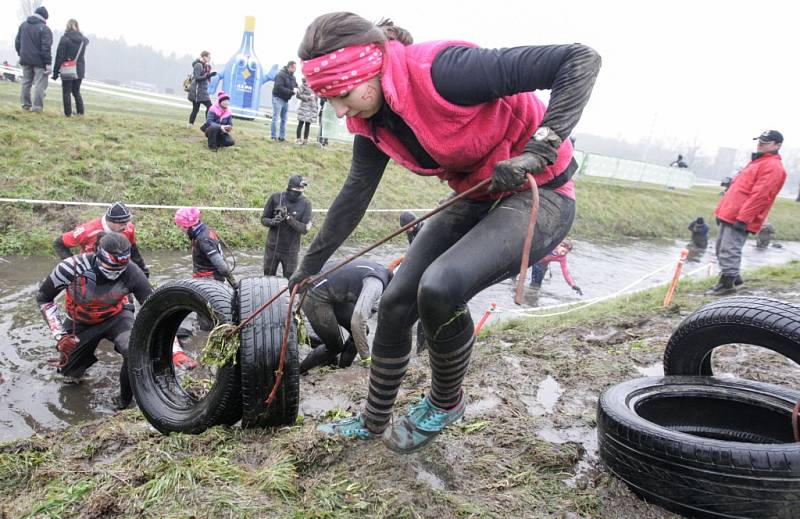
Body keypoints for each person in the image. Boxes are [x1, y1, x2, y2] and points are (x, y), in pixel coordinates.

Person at [289, 13, 600, 451]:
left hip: (540, 191)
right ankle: (373, 421)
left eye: (342, 95)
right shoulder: (373, 123)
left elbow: (579, 60)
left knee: (439, 287)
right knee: (397, 300)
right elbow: (353, 197)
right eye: (329, 100)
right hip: (477, 193)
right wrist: (309, 268)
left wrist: (538, 151)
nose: (340, 111)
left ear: (370, 69)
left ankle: (445, 401)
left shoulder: (444, 72)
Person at [36, 233, 151, 409]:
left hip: (116, 317)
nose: (114, 274)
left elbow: (153, 306)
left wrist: (173, 349)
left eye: (120, 269)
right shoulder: (71, 267)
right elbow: (44, 298)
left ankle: (124, 403)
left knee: (133, 350)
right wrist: (59, 335)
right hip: (80, 322)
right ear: (97, 253)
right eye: (110, 268)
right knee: (69, 378)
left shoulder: (132, 271)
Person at [709, 130, 787, 295]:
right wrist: (721, 212)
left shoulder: (773, 167)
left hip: (740, 217)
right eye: (760, 141)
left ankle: (727, 285)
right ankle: (733, 276)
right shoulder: (758, 162)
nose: (760, 144)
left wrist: (743, 219)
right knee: (721, 247)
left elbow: (760, 196)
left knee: (729, 249)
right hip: (730, 213)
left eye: (766, 142)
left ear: (777, 145)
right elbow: (736, 189)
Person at [300, 259, 392, 374]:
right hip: (315, 295)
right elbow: (357, 322)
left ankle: (341, 369)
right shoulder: (376, 284)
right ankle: (298, 372)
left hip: (335, 292)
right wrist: (367, 359)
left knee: (362, 332)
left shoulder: (382, 270)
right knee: (334, 347)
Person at [53, 202, 149, 277]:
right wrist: (74, 267)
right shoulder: (86, 231)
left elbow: (133, 250)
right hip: (91, 273)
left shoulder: (128, 228)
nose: (125, 227)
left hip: (118, 271)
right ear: (110, 221)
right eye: (121, 224)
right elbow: (59, 244)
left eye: (126, 222)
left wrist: (143, 270)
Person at [261, 174, 313, 278]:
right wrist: (273, 221)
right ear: (289, 188)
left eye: (301, 189)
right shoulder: (275, 198)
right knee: (267, 278)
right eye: (296, 189)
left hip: (291, 252)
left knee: (291, 280)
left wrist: (288, 218)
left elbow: (304, 229)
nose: (299, 191)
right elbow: (263, 219)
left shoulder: (306, 204)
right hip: (272, 248)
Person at [174, 207, 238, 289]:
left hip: (210, 283)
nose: (181, 229)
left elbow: (222, 267)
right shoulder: (204, 230)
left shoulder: (203, 240)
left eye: (181, 227)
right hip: (206, 280)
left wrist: (235, 286)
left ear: (190, 226)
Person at [15, 5, 52, 112]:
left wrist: (21, 54)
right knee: (40, 84)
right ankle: (37, 107)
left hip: (25, 59)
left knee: (26, 82)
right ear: (44, 17)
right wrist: (48, 63)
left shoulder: (23, 25)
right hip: (39, 62)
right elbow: (46, 47)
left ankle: (25, 105)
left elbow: (17, 42)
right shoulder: (44, 29)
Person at [52, 19, 88, 117]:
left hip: (68, 68)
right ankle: (80, 113)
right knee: (76, 91)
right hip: (79, 69)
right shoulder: (83, 41)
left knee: (66, 91)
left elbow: (59, 56)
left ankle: (68, 113)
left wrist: (55, 73)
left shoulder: (64, 39)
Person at [187, 51, 216, 128]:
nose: (210, 59)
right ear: (204, 57)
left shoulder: (206, 66)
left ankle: (207, 124)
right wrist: (208, 75)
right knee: (198, 109)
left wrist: (209, 75)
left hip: (202, 91)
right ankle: (191, 125)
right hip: (197, 92)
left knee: (208, 107)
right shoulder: (198, 65)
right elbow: (197, 78)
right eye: (208, 57)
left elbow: (204, 78)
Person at [271, 61, 298, 141]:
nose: (295, 70)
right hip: (278, 99)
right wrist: (291, 92)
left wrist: (297, 89)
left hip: (286, 100)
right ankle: (273, 136)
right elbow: (279, 87)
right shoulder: (280, 75)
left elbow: (295, 85)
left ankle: (281, 137)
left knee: (284, 119)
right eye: (293, 68)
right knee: (275, 118)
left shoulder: (293, 77)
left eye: (295, 68)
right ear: (289, 67)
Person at [295, 77, 318, 145]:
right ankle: (298, 139)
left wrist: (316, 106)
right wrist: (308, 98)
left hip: (311, 108)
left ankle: (305, 140)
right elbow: (298, 95)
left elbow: (316, 97)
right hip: (304, 107)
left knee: (308, 124)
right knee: (301, 123)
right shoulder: (303, 86)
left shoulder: (314, 86)